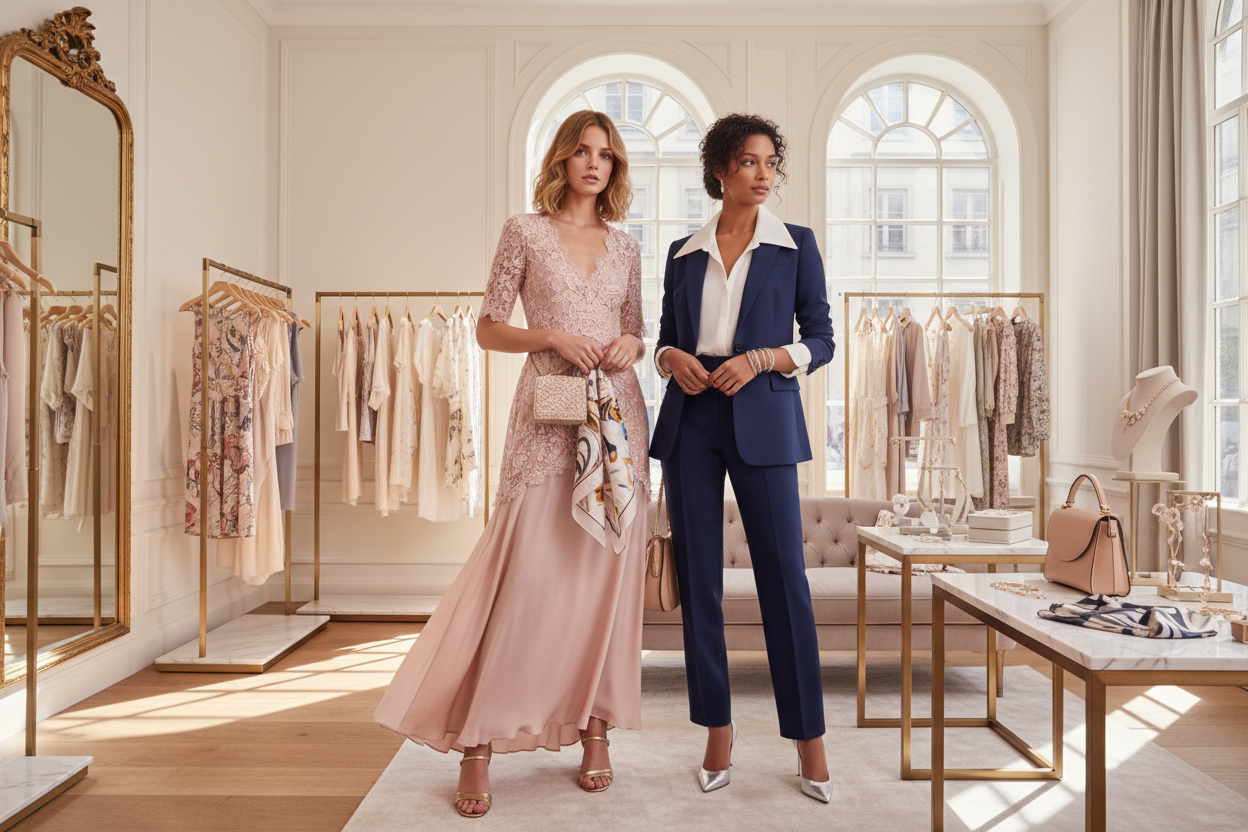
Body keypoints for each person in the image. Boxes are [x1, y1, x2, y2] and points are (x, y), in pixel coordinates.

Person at [373, 110, 649, 818]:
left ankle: (596, 730)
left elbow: (637, 329)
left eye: (607, 156)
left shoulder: (626, 245)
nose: (595, 165)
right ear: (561, 160)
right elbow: (488, 326)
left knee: (603, 582)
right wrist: (553, 334)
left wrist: (627, 348)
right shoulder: (524, 231)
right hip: (548, 413)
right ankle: (479, 739)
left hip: (617, 419)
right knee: (524, 579)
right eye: (583, 152)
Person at [650, 113, 835, 802]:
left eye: (770, 164)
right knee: (700, 582)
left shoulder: (796, 247)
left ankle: (808, 738)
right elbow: (666, 339)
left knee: (784, 580)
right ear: (721, 170)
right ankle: (717, 731)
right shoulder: (682, 252)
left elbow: (822, 339)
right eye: (750, 163)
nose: (764, 175)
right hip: (692, 421)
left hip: (764, 417)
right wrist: (672, 359)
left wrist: (762, 359)